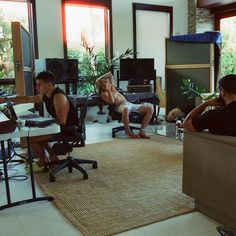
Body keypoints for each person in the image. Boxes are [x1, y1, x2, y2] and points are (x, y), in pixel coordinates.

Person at [0, 71, 79, 170]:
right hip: (60, 127)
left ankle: (43, 161)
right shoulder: (45, 95)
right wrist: (6, 99)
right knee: (37, 134)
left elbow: (62, 121)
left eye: (39, 85)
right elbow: (28, 99)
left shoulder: (58, 97)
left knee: (33, 138)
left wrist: (42, 122)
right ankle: (53, 157)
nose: (36, 87)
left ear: (49, 85)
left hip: (69, 129)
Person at [96, 71, 153, 139]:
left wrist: (99, 79)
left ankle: (142, 131)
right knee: (125, 109)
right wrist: (108, 90)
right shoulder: (104, 94)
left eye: (107, 82)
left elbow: (110, 74)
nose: (108, 83)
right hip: (119, 106)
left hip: (128, 104)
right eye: (105, 82)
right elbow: (112, 102)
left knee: (150, 108)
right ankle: (129, 133)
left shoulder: (112, 88)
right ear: (101, 85)